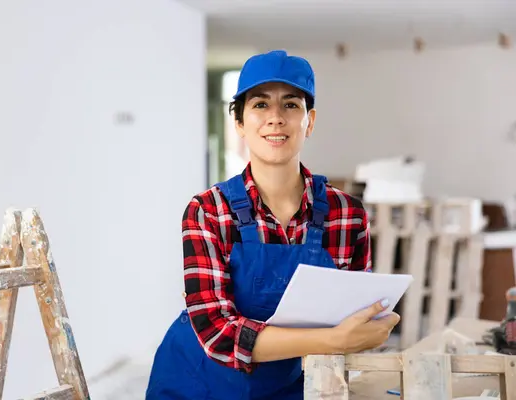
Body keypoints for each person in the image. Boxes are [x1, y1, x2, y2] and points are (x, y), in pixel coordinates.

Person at [145, 50, 401, 400]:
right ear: (239, 122)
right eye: (260, 105)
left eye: (291, 105)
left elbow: (356, 318)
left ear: (309, 121)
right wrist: (334, 339)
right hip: (197, 384)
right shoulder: (208, 211)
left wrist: (368, 328)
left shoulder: (347, 215)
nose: (275, 118)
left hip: (290, 385)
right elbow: (218, 332)